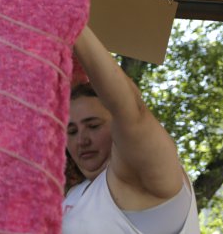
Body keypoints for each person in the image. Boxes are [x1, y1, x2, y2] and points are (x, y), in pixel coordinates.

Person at [63, 25, 200, 234]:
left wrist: (71, 19)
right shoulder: (74, 194)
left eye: (93, 126)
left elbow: (130, 109)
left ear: (117, 128)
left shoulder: (148, 176)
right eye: (71, 131)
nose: (82, 140)